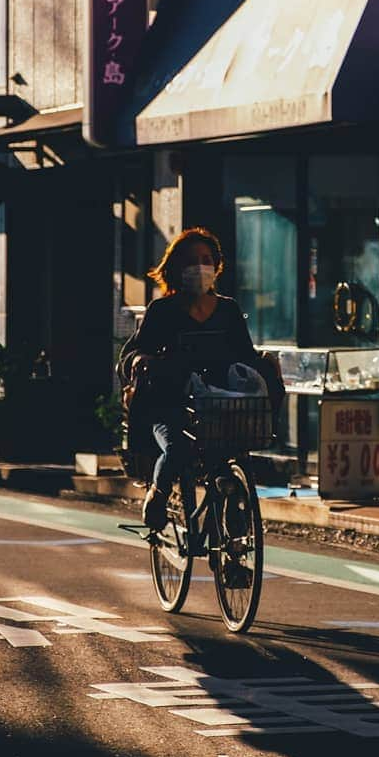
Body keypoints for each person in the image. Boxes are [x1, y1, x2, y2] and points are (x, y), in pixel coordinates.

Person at [118, 227, 258, 531]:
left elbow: (247, 357)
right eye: (192, 260)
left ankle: (234, 548)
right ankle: (159, 493)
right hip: (169, 407)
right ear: (177, 269)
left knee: (230, 461)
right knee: (178, 448)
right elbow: (130, 356)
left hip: (219, 407)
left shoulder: (228, 310)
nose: (200, 267)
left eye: (206, 259)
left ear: (216, 266)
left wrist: (265, 366)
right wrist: (142, 360)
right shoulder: (162, 311)